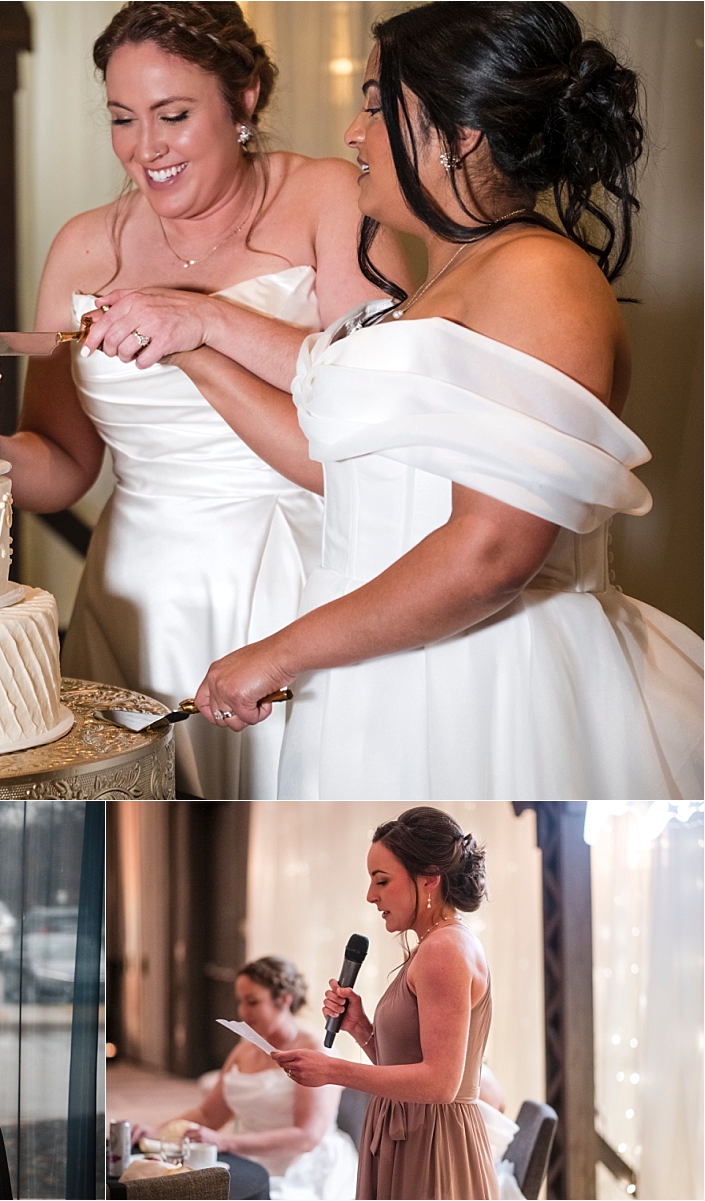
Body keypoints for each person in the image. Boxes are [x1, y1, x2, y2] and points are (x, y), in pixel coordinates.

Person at [165, 0, 702, 798]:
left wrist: (279, 650)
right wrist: (194, 339)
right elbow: (336, 438)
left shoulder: (537, 277)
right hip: (373, 669)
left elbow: (490, 553)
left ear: (461, 134)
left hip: (485, 683)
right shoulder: (450, 279)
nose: (353, 131)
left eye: (377, 105)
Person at [0, 1, 408, 799]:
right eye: (123, 119)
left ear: (245, 96)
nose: (145, 149)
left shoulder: (333, 201)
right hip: (135, 594)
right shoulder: (83, 245)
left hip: (299, 576)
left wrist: (209, 331)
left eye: (173, 115)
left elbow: (382, 436)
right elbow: (62, 466)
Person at [272, 808, 496, 1200]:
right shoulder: (432, 945)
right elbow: (409, 1066)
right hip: (414, 1133)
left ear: (428, 879)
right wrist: (359, 1026)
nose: (371, 895)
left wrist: (332, 1070)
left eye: (382, 880)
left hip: (433, 1146)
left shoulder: (444, 950)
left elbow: (440, 1084)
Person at [134, 956, 358, 1200]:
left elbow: (307, 1137)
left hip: (304, 1167)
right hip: (246, 1158)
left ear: (284, 1000)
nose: (243, 1012)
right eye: (240, 1001)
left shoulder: (316, 1048)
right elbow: (208, 1114)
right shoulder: (244, 1048)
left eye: (252, 1002)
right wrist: (156, 1132)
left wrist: (226, 1143)